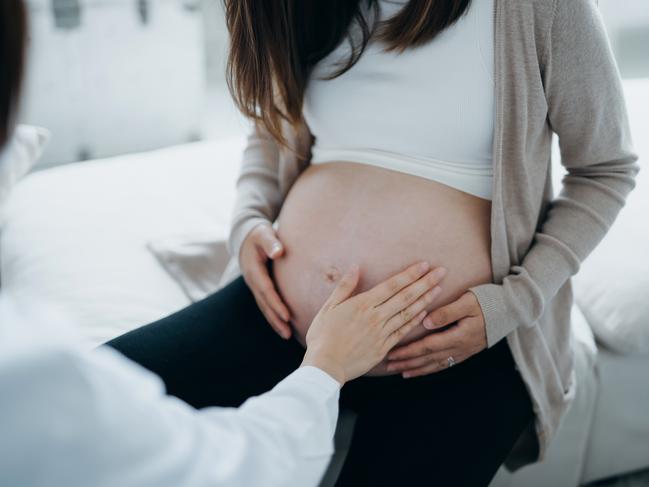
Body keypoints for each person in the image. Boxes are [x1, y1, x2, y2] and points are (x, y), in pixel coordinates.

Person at [107, 0, 640, 485]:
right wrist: (248, 217)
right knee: (88, 401)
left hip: (456, 349)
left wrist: (513, 303)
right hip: (282, 321)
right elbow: (272, 127)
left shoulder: (539, 9)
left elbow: (606, 170)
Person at [0, 2, 448, 486]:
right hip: (276, 316)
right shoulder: (33, 372)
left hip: (443, 346)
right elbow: (237, 469)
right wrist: (326, 366)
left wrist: (506, 305)